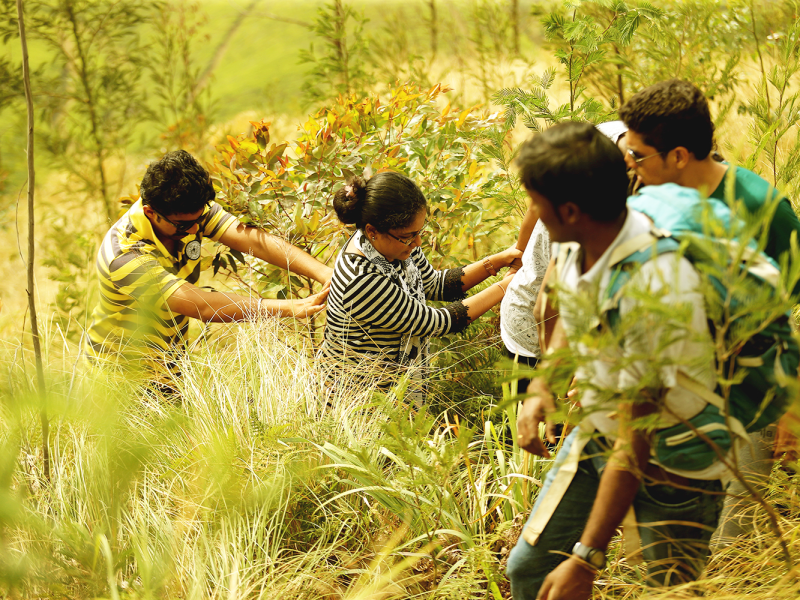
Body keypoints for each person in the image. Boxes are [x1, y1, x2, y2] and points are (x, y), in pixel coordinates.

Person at [506, 122, 725, 600]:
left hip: (678, 458)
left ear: (568, 209)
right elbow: (571, 301)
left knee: (671, 591)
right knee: (529, 571)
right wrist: (545, 385)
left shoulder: (657, 286)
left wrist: (587, 558)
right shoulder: (578, 235)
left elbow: (636, 440)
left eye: (537, 205)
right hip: (601, 429)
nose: (534, 218)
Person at [618, 79, 800, 545]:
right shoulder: (642, 203)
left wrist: (792, 412)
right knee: (665, 546)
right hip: (668, 406)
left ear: (679, 155)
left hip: (747, 404)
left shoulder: (760, 207)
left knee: (733, 546)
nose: (629, 164)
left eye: (638, 155)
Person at [85, 150, 332, 380]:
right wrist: (289, 307)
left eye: (199, 219)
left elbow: (256, 243)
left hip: (171, 364)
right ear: (151, 212)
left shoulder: (191, 211)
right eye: (183, 225)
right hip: (119, 373)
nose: (194, 229)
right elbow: (199, 305)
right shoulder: (123, 255)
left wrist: (324, 272)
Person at [322, 171, 522, 403]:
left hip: (392, 390)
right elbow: (435, 323)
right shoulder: (360, 279)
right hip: (359, 402)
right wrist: (505, 287)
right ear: (372, 231)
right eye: (409, 236)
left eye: (419, 232)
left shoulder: (395, 244)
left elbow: (436, 284)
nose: (417, 243)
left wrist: (496, 261)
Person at [500, 120, 628, 393]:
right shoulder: (595, 149)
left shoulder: (592, 234)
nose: (540, 223)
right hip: (534, 338)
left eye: (542, 207)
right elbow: (546, 309)